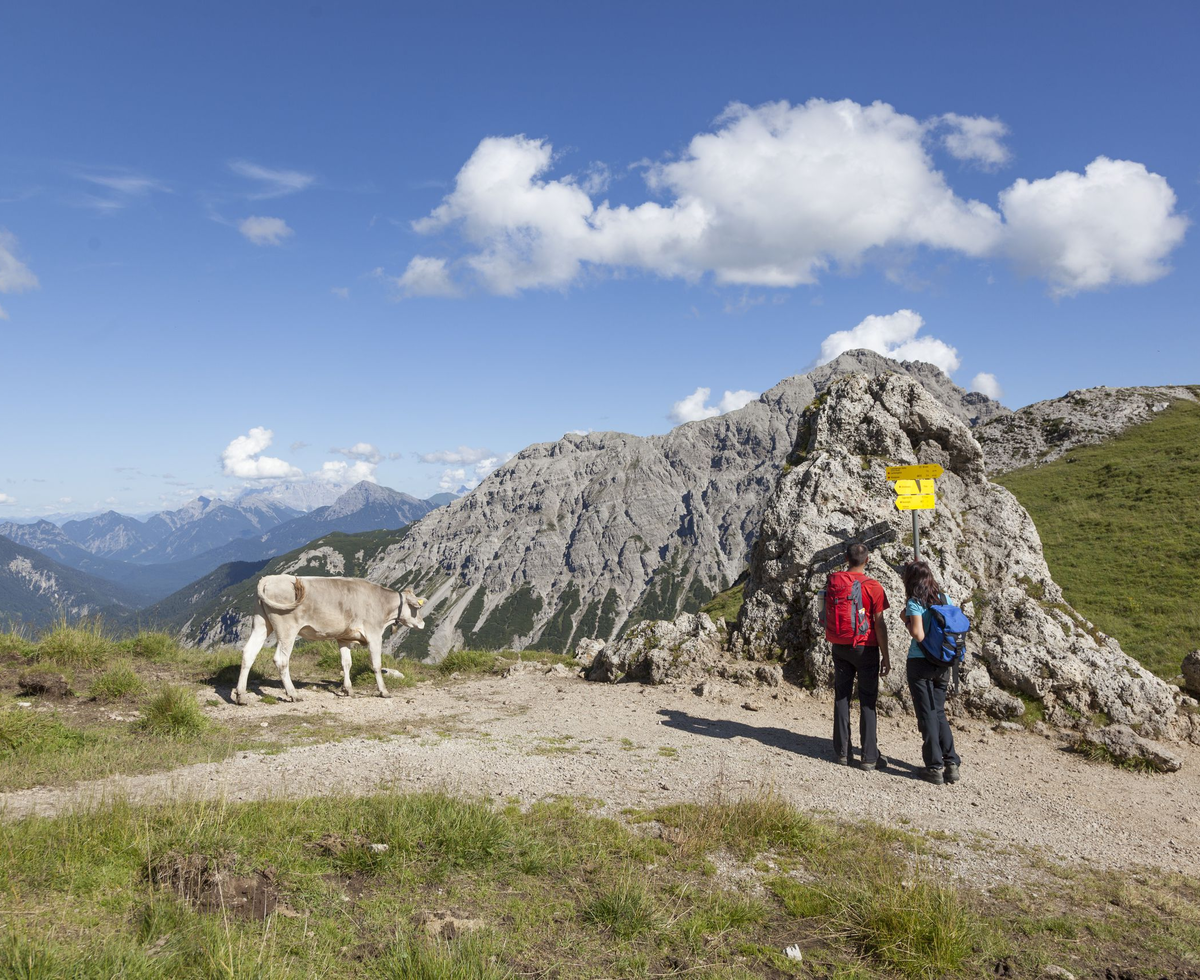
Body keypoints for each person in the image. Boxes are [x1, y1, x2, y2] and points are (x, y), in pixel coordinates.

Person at [828, 542, 891, 771]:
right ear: (868, 560)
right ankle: (869, 756)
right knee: (867, 700)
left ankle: (843, 753)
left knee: (842, 697)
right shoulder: (873, 586)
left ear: (846, 558)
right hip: (866, 648)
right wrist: (886, 656)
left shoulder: (835, 580)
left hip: (840, 645)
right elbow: (879, 623)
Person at [902, 560, 961, 785]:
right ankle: (951, 763)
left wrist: (905, 620)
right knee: (938, 712)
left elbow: (918, 635)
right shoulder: (945, 598)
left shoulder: (915, 603)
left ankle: (934, 767)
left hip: (920, 663)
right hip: (944, 664)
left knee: (926, 714)